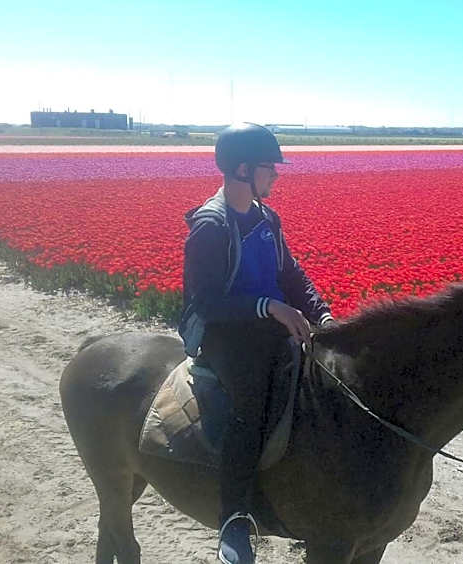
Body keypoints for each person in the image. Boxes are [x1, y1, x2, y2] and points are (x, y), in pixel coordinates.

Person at [178, 123, 333, 564]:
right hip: (225, 336)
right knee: (252, 403)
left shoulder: (266, 217)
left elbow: (291, 273)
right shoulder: (210, 225)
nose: (277, 175)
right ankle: (235, 520)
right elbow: (206, 302)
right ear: (243, 169)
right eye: (270, 167)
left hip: (270, 323)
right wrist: (269, 307)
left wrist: (321, 314)